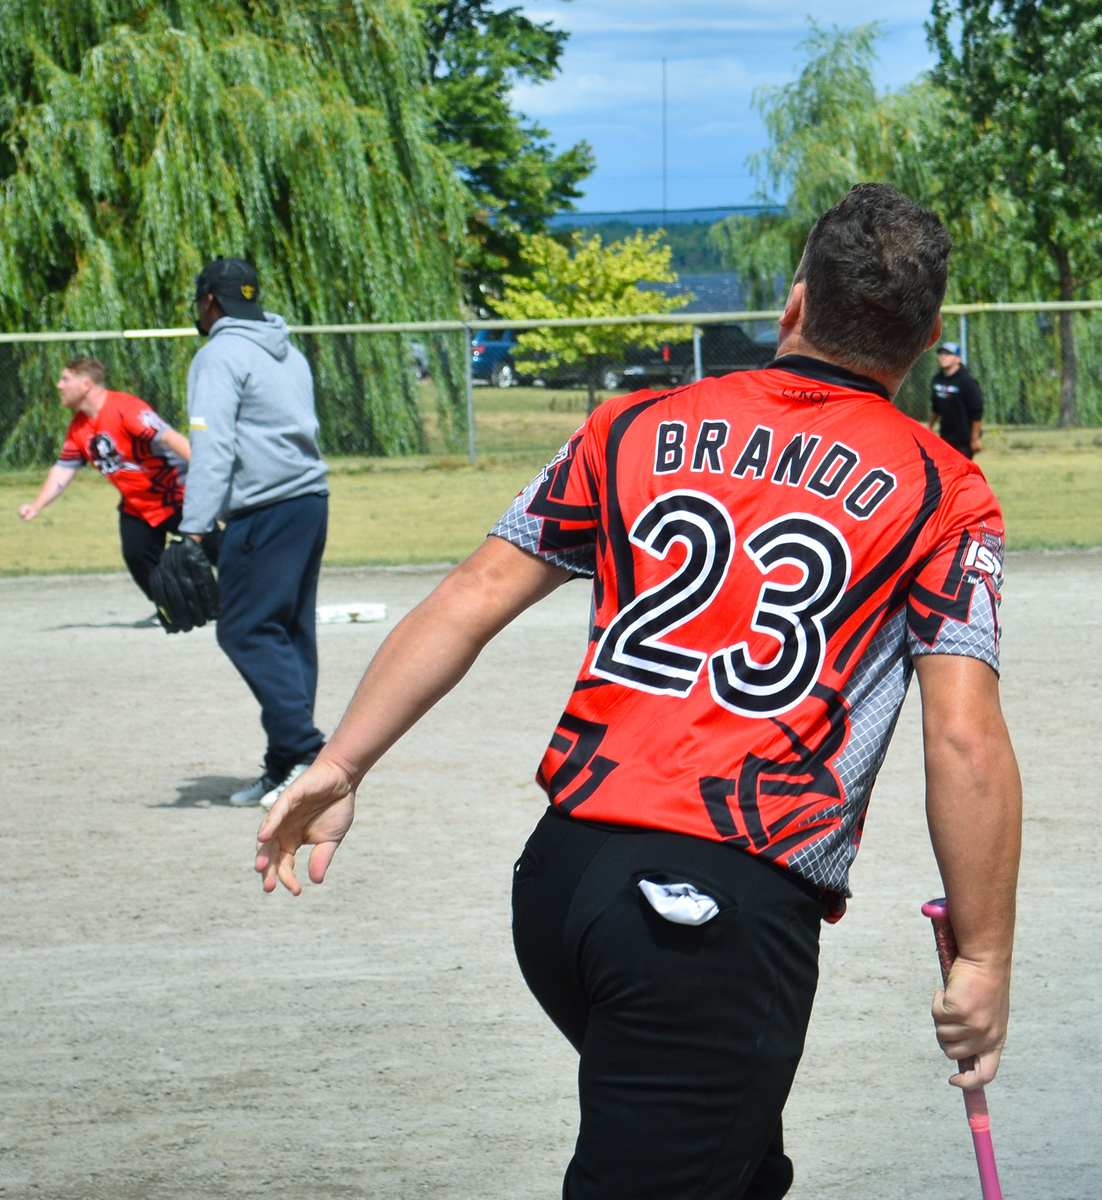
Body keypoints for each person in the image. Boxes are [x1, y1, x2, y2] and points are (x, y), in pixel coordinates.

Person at [255, 185, 1022, 1200]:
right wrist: (985, 959)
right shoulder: (944, 490)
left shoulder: (631, 425)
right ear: (926, 339)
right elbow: (963, 739)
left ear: (794, 303)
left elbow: (472, 595)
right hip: (710, 912)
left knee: (734, 1166)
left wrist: (341, 761)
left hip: (562, 877)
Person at [181, 257, 329, 810]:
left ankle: (307, 751)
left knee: (245, 630)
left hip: (262, 508)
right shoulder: (285, 349)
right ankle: (286, 761)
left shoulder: (219, 354)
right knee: (288, 632)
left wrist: (194, 529)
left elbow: (212, 446)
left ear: (209, 301)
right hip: (308, 502)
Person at [17, 357, 193, 608]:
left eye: (66, 379)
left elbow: (171, 438)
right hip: (137, 505)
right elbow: (63, 469)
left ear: (86, 385)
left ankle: (245, 599)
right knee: (137, 556)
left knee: (216, 549)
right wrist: (37, 506)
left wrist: (206, 472)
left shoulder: (125, 408)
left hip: (175, 495)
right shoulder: (78, 427)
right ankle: (173, 610)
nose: (59, 385)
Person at [929, 340, 984, 458]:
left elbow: (977, 411)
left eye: (948, 354)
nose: (943, 357)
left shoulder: (967, 381)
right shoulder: (937, 380)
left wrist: (975, 439)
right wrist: (929, 427)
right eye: (941, 353)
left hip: (964, 439)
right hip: (946, 436)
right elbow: (936, 408)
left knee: (959, 466)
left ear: (957, 359)